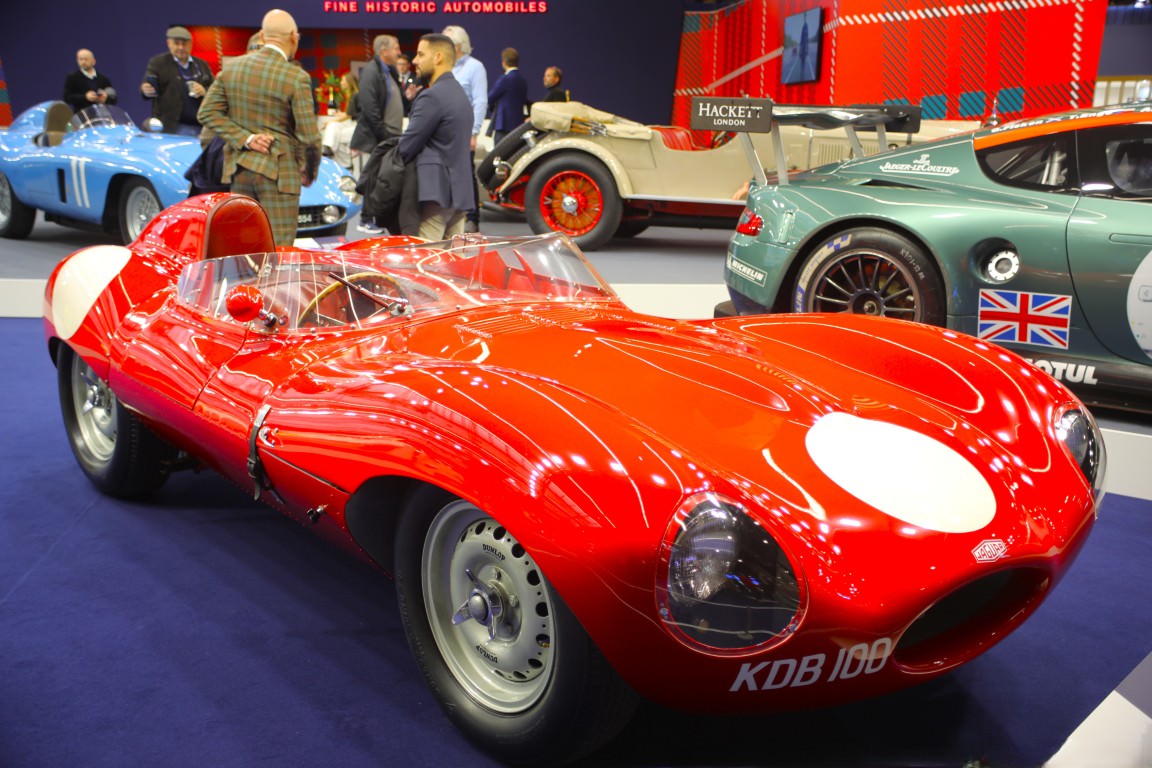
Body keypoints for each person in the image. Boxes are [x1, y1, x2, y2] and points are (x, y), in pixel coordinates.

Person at [197, 9, 322, 247]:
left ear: (263, 36)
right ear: (294, 37)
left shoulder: (231, 70)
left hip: (240, 170)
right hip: (280, 176)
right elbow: (309, 137)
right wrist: (309, 171)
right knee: (277, 248)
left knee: (244, 246)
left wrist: (246, 138)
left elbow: (207, 113)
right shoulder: (296, 77)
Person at [399, 33, 473, 241]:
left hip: (437, 195)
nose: (415, 61)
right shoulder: (459, 94)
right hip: (459, 195)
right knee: (454, 258)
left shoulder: (432, 96)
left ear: (438, 57)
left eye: (421, 54)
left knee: (426, 257)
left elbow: (406, 147)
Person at [351, 35, 404, 234]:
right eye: (396, 48)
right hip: (375, 138)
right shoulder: (371, 72)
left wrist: (407, 98)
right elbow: (369, 107)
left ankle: (374, 218)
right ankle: (365, 219)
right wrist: (384, 134)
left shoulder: (389, 72)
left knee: (382, 179)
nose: (399, 52)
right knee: (372, 179)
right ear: (384, 51)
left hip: (388, 137)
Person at [442, 25, 486, 231]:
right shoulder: (445, 66)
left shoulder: (475, 67)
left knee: (465, 175)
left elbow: (480, 101)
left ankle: (472, 218)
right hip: (443, 132)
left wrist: (473, 132)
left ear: (458, 46)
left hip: (463, 131)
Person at [140, 25, 215, 136]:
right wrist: (145, 89)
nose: (181, 47)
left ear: (191, 44)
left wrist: (204, 90)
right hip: (171, 127)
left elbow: (215, 90)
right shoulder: (158, 63)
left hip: (200, 125)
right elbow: (147, 88)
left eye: (184, 44)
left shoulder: (201, 64)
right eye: (176, 43)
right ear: (168, 43)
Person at [487, 48, 527, 145]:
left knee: (500, 152)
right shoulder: (523, 81)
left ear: (504, 62)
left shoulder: (505, 79)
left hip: (503, 125)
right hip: (518, 125)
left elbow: (490, 98)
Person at [322, 71, 360, 172]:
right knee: (334, 126)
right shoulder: (354, 95)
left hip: (359, 127)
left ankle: (331, 151)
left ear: (349, 82)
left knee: (335, 130)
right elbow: (350, 113)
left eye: (343, 80)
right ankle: (328, 148)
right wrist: (339, 115)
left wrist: (330, 121)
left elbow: (348, 115)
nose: (341, 82)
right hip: (354, 124)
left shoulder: (355, 95)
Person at [63, 49, 117, 113]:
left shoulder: (103, 79)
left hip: (101, 115)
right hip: (82, 115)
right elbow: (67, 98)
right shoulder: (72, 78)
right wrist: (85, 97)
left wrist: (106, 99)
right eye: (80, 59)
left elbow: (113, 99)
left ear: (94, 61)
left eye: (86, 59)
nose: (83, 62)